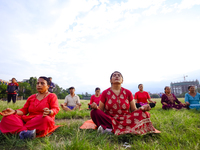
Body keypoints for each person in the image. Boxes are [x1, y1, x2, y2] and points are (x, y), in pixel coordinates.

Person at [90, 71, 158, 135]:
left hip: (126, 119)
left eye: (119, 75)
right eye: (114, 75)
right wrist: (96, 107)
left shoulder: (128, 92)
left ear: (122, 80)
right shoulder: (105, 93)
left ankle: (110, 130)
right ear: (110, 80)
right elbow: (101, 110)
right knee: (94, 112)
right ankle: (125, 129)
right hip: (110, 119)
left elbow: (133, 110)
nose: (117, 76)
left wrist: (142, 108)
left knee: (144, 113)